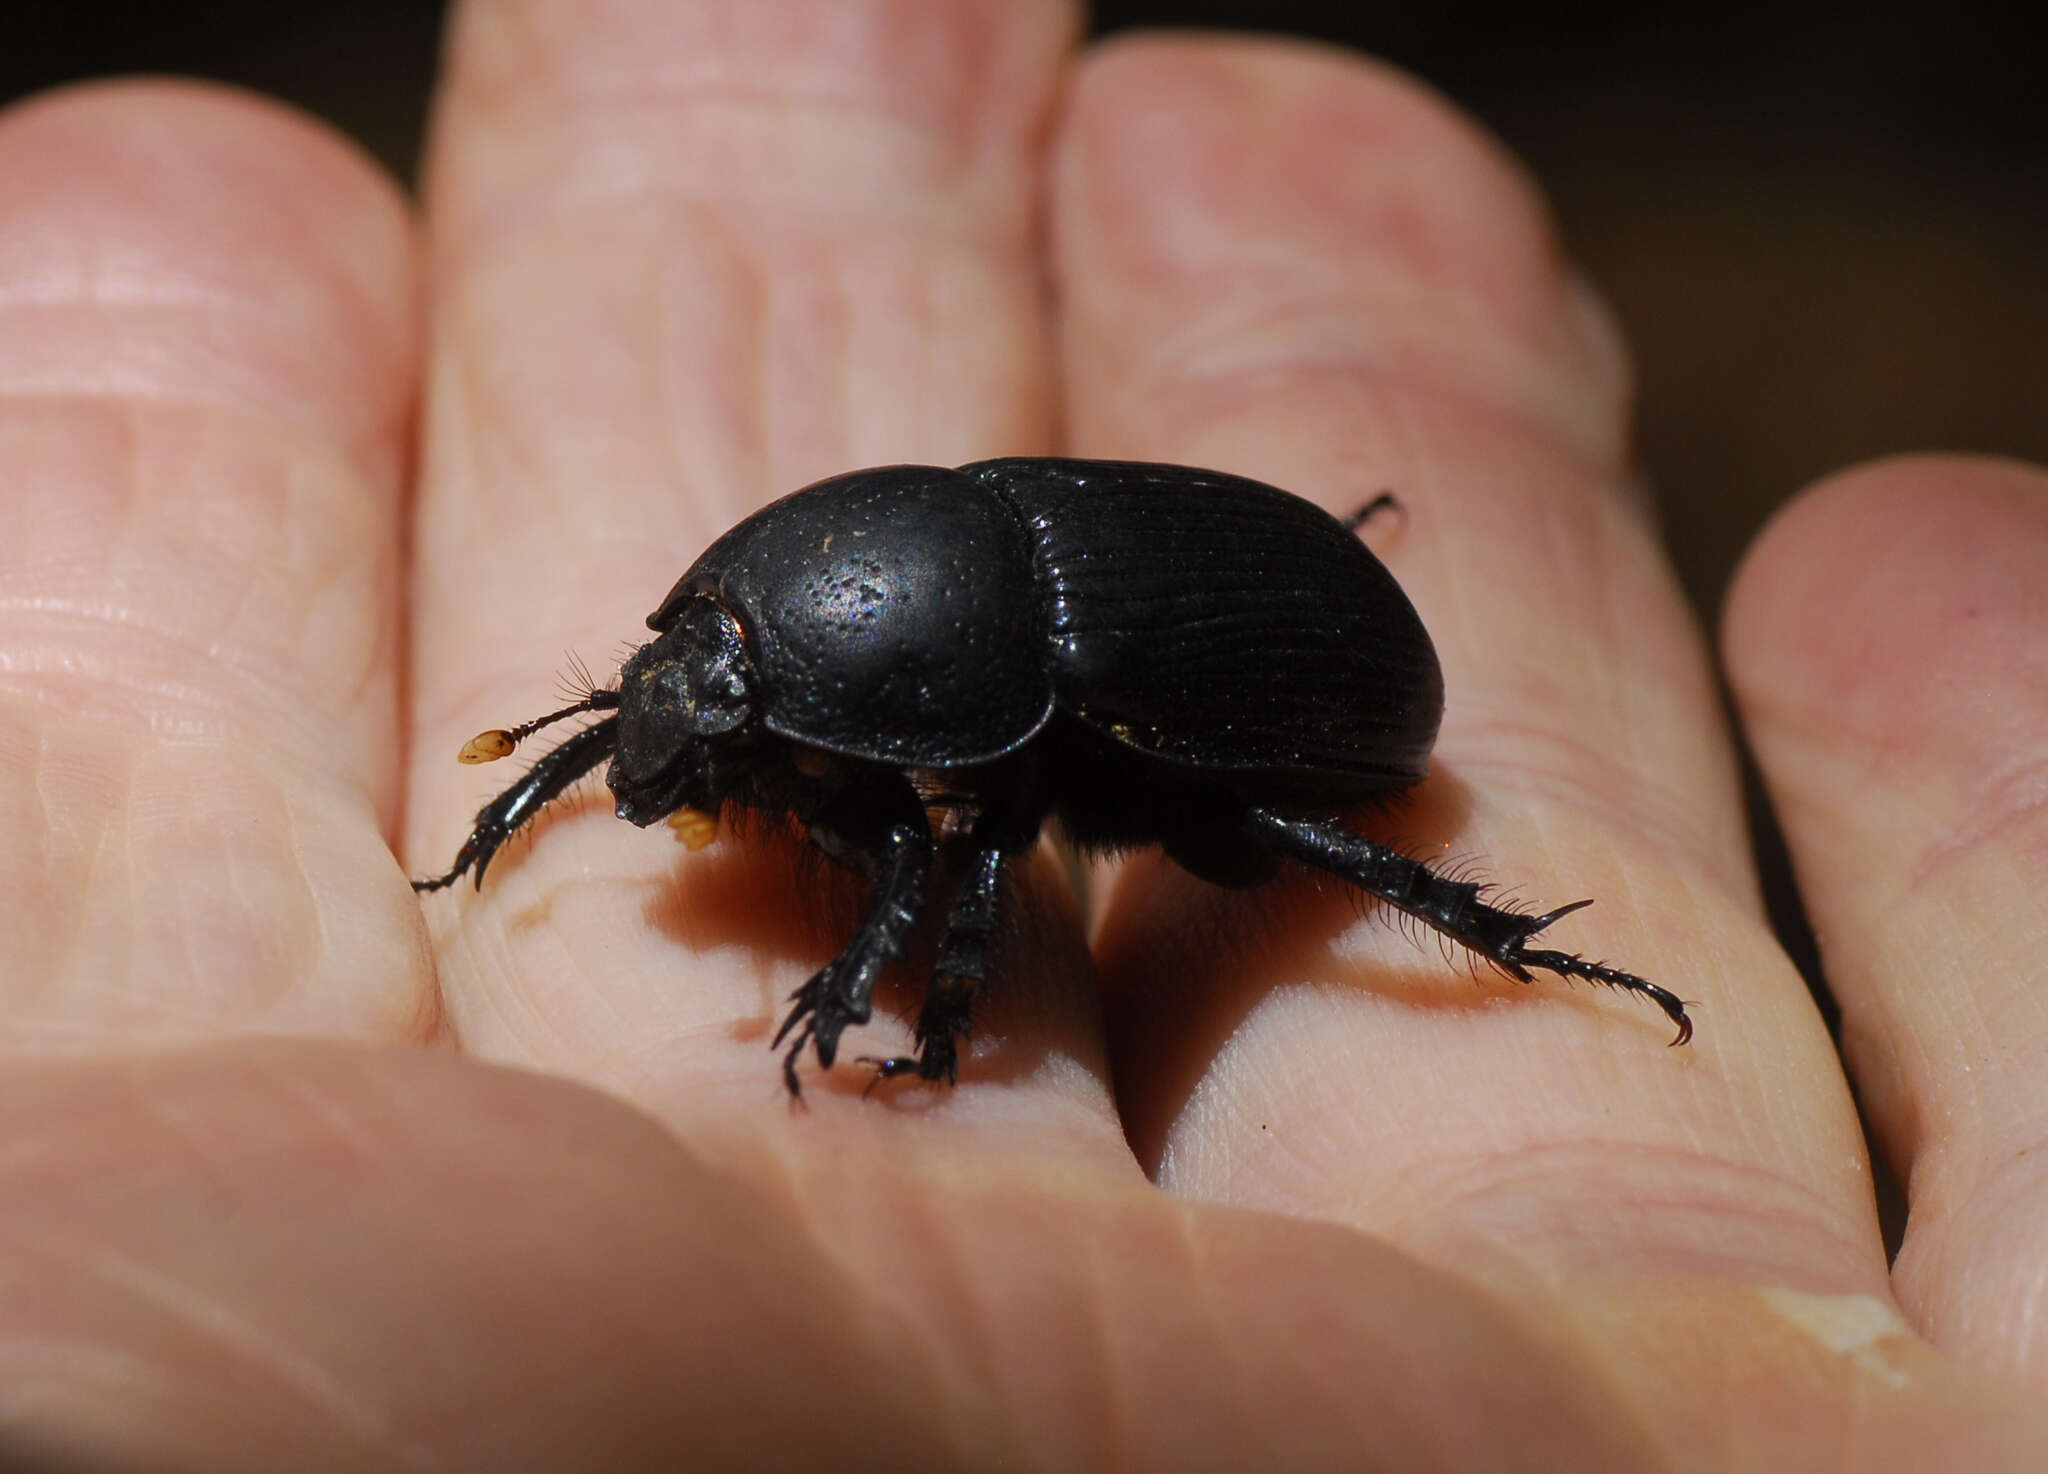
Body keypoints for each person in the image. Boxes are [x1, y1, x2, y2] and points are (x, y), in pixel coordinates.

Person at [2, 3, 2042, 1467]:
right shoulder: (903, 610)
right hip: (1041, 624)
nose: (679, 745)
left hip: (1297, 691)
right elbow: (832, 755)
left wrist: (897, 994)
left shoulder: (968, 729)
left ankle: (1506, 946)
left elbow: (946, 847)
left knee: (1249, 833)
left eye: (728, 672)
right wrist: (567, 780)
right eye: (698, 654)